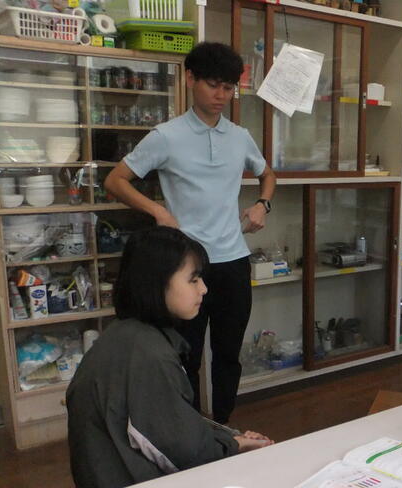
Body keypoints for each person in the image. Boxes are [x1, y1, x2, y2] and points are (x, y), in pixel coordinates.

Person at [104, 42, 276, 424]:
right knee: (185, 355)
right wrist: (158, 211)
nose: (221, 95)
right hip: (186, 267)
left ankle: (223, 427)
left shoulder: (240, 137)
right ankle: (189, 428)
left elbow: (267, 174)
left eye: (228, 87)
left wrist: (262, 204)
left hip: (233, 261)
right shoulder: (166, 136)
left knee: (228, 353)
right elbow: (115, 180)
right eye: (213, 85)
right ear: (190, 79)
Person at [66, 227, 273, 488]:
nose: (204, 289)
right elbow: (186, 452)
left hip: (108, 486)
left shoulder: (126, 335)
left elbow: (172, 424)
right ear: (156, 282)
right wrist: (233, 446)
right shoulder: (149, 356)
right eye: (193, 280)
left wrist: (232, 439)